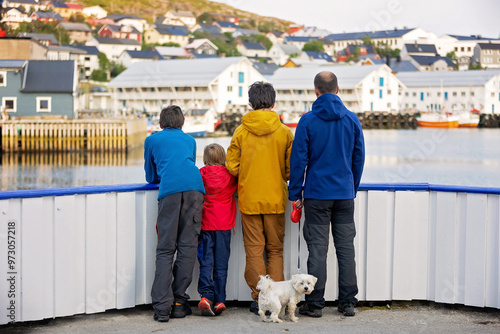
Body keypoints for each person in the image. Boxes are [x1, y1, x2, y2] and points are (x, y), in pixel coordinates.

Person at [288, 71, 365, 318]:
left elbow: (298, 160)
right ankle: (347, 302)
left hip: (317, 196)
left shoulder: (307, 121)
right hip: (344, 194)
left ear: (316, 91)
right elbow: (358, 157)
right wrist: (351, 186)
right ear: (338, 90)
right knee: (346, 249)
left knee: (318, 250)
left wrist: (295, 192)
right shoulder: (352, 120)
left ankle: (316, 304)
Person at [226, 81, 294, 315]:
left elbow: (232, 167)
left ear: (251, 104)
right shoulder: (285, 132)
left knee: (254, 250)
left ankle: (260, 299)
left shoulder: (241, 132)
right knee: (275, 250)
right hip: (276, 198)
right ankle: (278, 300)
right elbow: (289, 170)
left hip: (249, 198)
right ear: (273, 103)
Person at [144, 105, 205, 322]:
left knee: (165, 249)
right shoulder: (190, 140)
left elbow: (151, 176)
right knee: (188, 247)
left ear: (160, 124)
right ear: (182, 123)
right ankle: (180, 303)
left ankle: (162, 308)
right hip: (195, 190)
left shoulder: (151, 140)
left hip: (169, 192)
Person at [197, 143, 238, 316]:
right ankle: (220, 300)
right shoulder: (230, 175)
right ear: (223, 158)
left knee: (206, 261)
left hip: (206, 223)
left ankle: (206, 296)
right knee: (221, 264)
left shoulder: (200, 174)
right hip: (224, 224)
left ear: (206, 158)